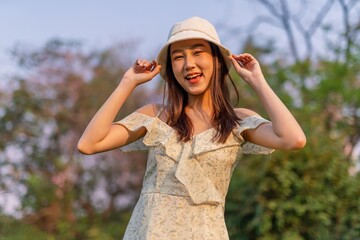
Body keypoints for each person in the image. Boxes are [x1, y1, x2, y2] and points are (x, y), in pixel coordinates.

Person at [78, 16, 306, 240]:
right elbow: (89, 144)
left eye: (198, 52)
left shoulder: (238, 121)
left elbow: (293, 139)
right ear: (172, 69)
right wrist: (127, 83)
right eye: (178, 57)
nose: (189, 64)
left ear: (217, 60)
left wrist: (258, 81)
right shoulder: (156, 116)